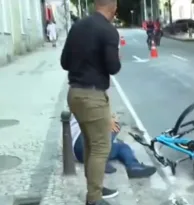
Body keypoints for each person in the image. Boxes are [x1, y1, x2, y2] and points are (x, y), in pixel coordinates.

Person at [60, 0, 121, 204]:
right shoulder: (108, 31)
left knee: (89, 144)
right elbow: (113, 67)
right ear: (113, 9)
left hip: (74, 94)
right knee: (101, 147)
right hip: (92, 97)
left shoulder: (77, 26)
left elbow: (64, 62)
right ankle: (93, 198)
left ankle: (94, 188)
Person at [71, 114, 157, 178]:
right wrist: (110, 120)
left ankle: (133, 166)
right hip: (82, 143)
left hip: (80, 153)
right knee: (115, 125)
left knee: (122, 147)